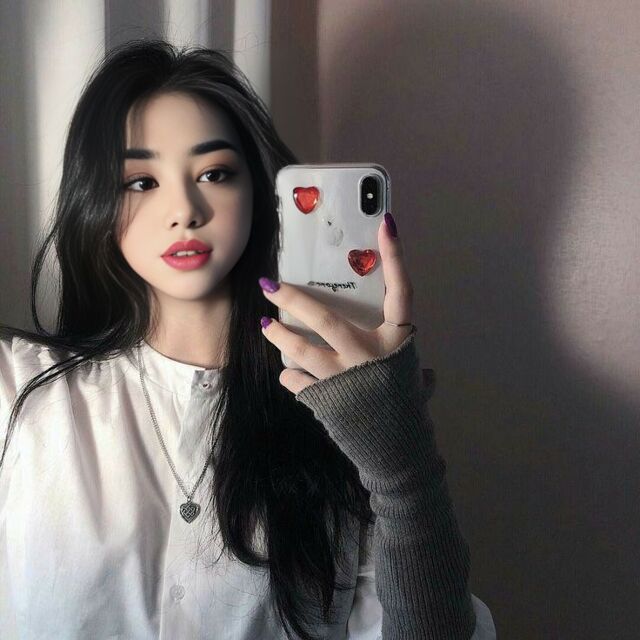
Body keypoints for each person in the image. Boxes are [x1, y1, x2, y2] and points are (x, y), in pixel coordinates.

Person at [0, 40, 496, 639]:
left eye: (214, 174)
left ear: (259, 193)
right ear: (94, 201)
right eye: (141, 181)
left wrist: (403, 465)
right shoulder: (19, 389)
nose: (184, 210)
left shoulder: (344, 412)